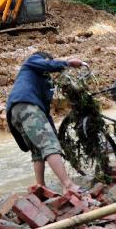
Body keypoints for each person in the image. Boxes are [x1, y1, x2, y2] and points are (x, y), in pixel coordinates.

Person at [6, 51, 86, 195]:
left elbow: (45, 111)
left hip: (17, 112)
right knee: (49, 145)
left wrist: (54, 134)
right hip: (26, 106)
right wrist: (68, 62)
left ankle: (40, 188)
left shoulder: (44, 82)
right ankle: (68, 185)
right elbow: (48, 64)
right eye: (50, 61)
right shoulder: (32, 61)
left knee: (38, 151)